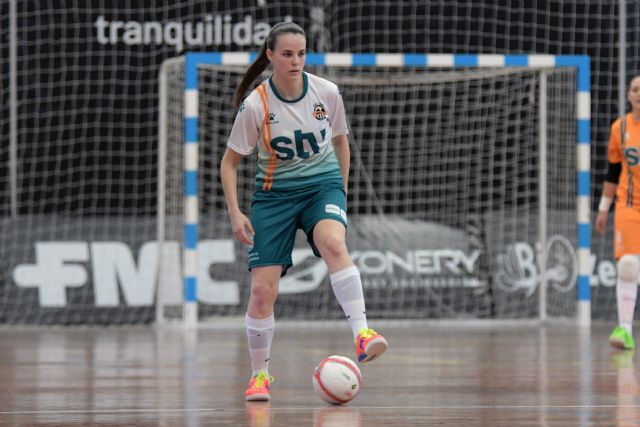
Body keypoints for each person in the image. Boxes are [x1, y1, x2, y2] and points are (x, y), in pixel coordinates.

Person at [220, 22, 388, 401]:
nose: (296, 61)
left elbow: (341, 143)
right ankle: (259, 376)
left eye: (301, 53)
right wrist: (234, 212)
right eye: (287, 54)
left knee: (333, 243)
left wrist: (340, 192)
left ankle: (363, 334)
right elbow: (228, 163)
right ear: (270, 56)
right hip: (274, 196)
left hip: (321, 186)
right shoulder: (257, 105)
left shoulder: (326, 92)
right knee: (262, 291)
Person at [596, 74, 640, 350]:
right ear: (628, 95)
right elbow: (613, 173)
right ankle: (625, 330)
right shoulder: (619, 128)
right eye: (635, 89)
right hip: (629, 205)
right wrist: (603, 209)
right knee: (628, 265)